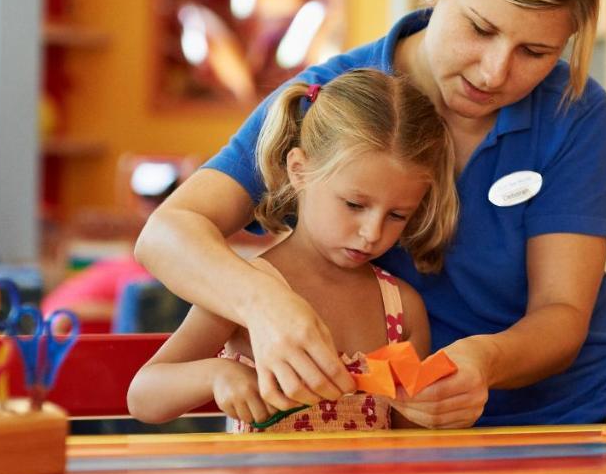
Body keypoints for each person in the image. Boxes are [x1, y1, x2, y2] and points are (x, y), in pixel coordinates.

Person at [134, 0, 606, 427]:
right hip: (411, 435)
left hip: (574, 416)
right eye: (481, 29)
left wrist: (484, 360)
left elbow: (561, 316)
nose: (495, 73)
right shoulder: (334, 96)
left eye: (535, 53)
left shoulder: (574, 109)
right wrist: (264, 303)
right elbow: (168, 233)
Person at [129, 70, 456, 430]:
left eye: (397, 215)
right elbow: (143, 396)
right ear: (299, 171)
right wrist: (219, 375)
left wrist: (428, 408)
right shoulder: (242, 289)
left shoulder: (402, 308)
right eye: (353, 204)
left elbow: (408, 437)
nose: (372, 233)